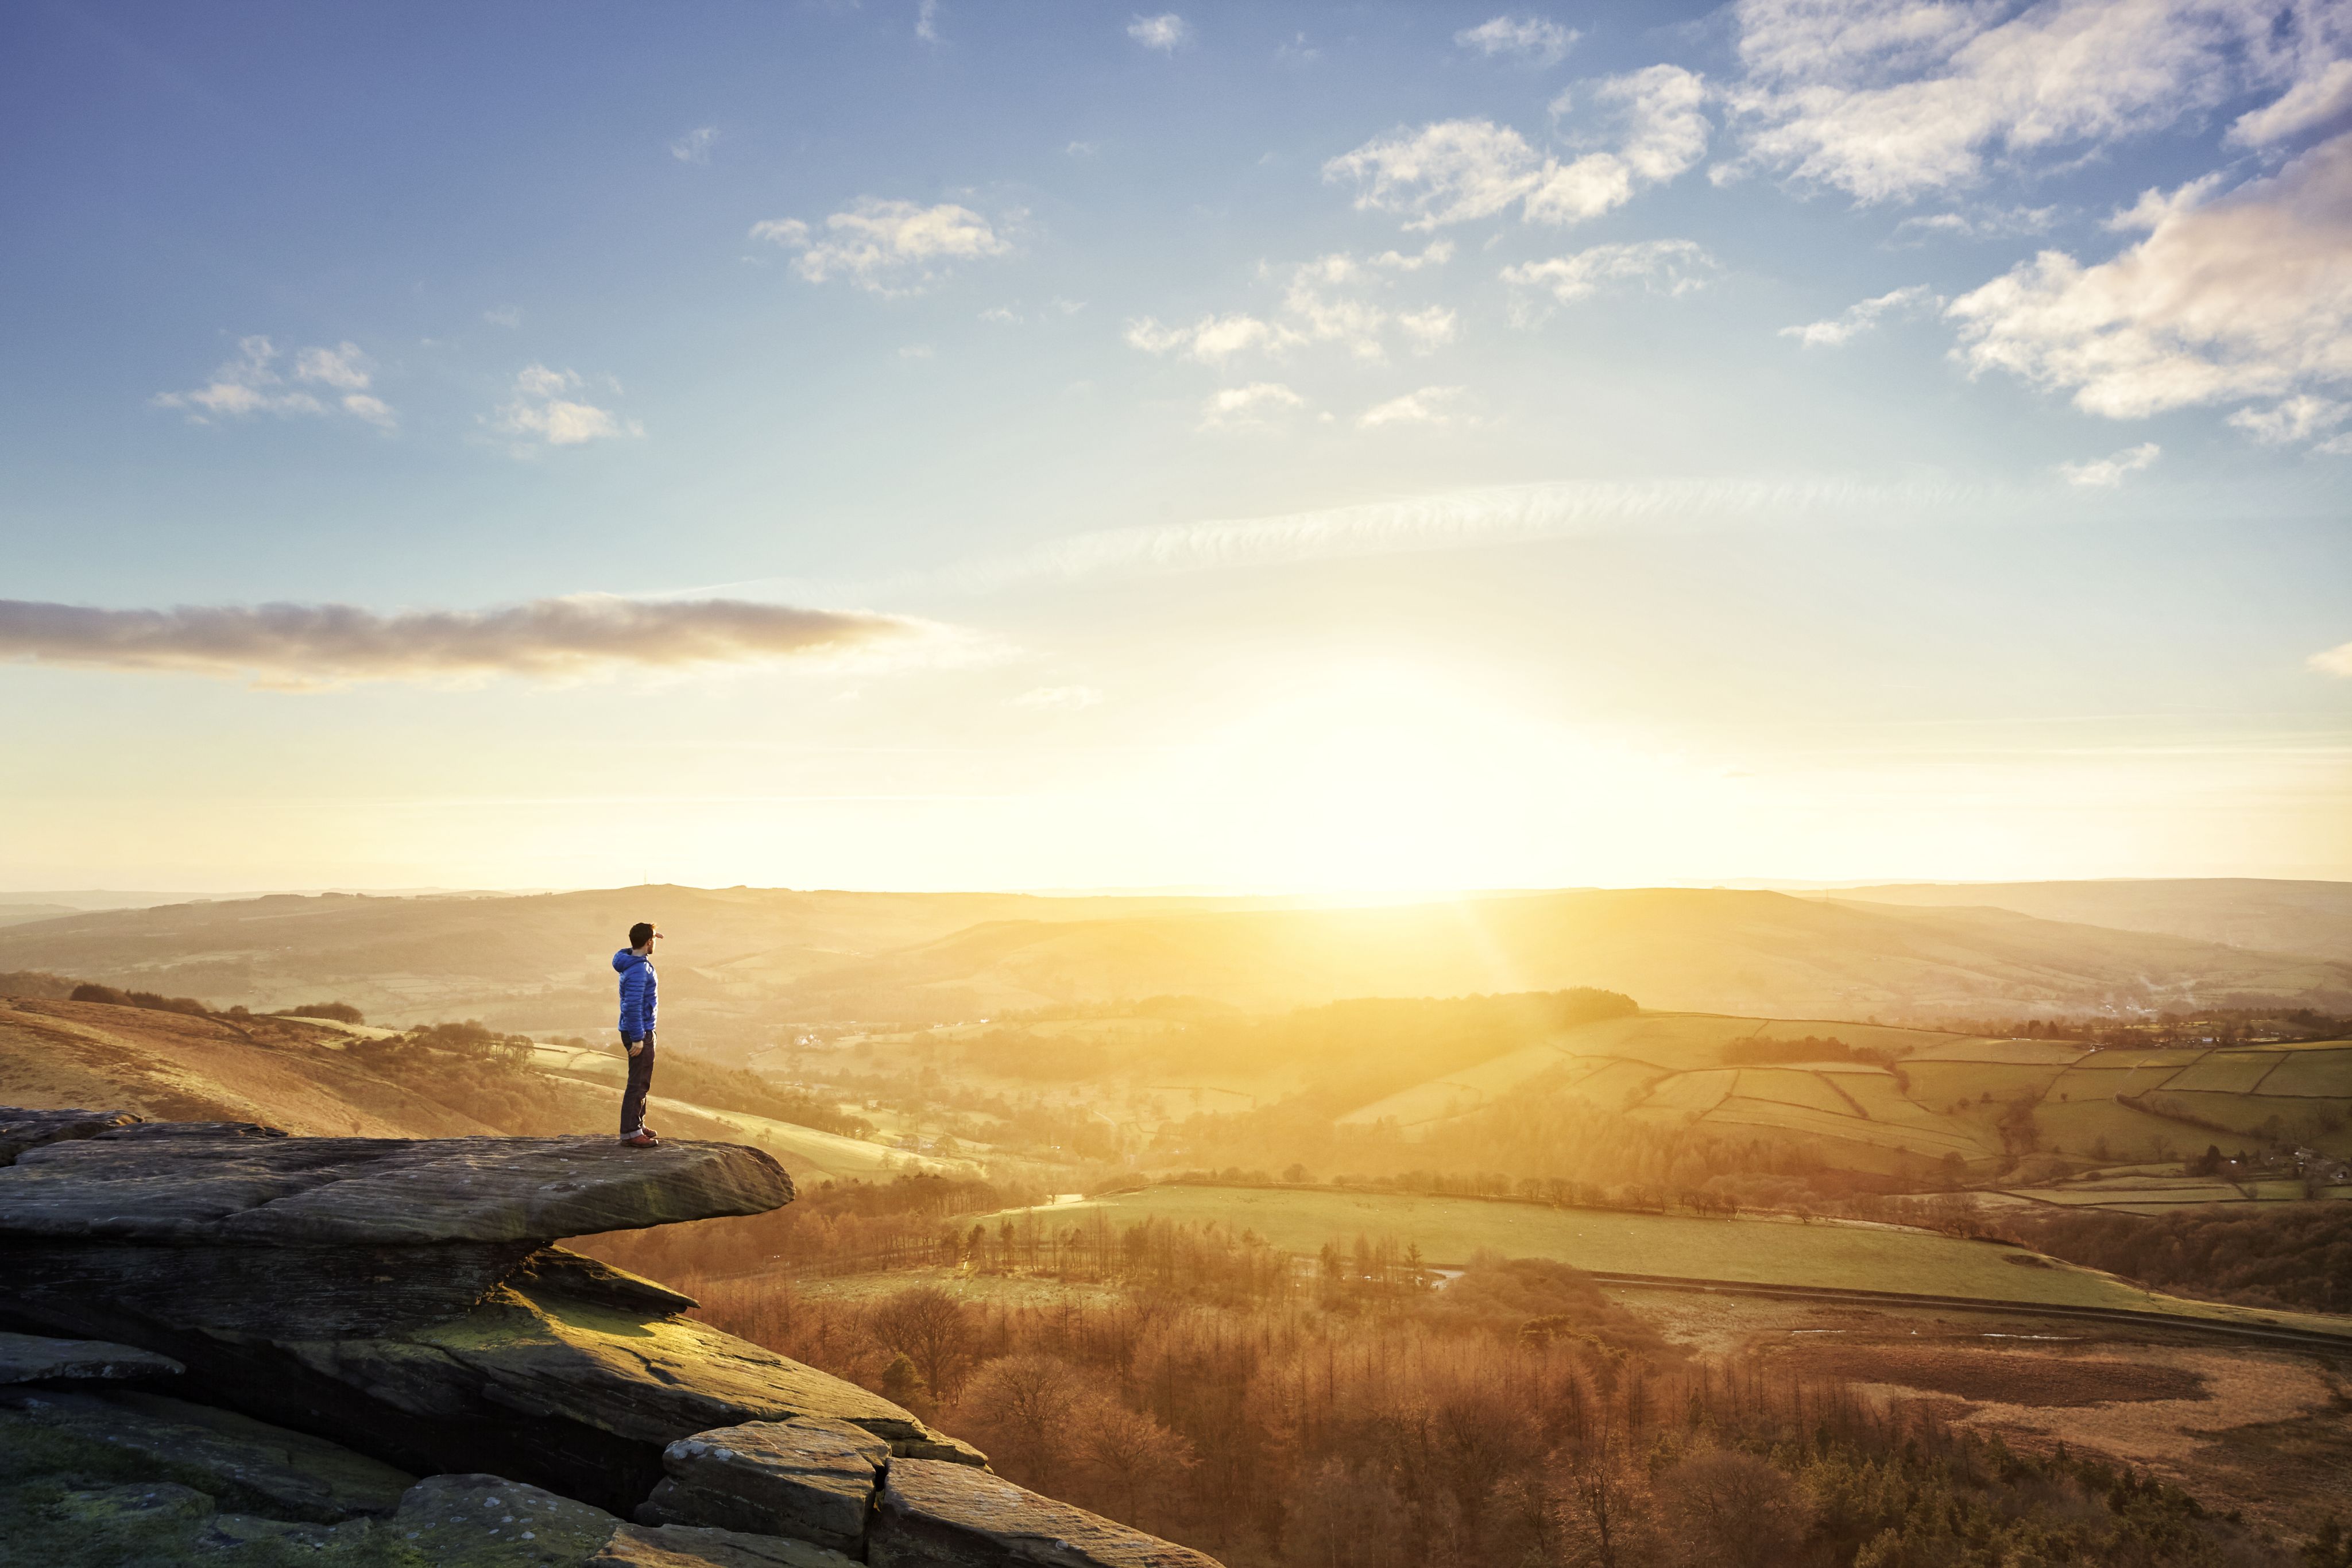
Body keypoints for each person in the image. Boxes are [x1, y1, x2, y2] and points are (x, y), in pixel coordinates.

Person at [613, 922, 661, 1147]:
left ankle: (638, 1124)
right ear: (648, 943)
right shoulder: (639, 970)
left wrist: (650, 935)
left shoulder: (630, 960)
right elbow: (632, 1006)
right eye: (652, 940)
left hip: (640, 1029)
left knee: (643, 1081)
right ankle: (631, 1133)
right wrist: (638, 1037)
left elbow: (638, 942)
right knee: (637, 1083)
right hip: (638, 1031)